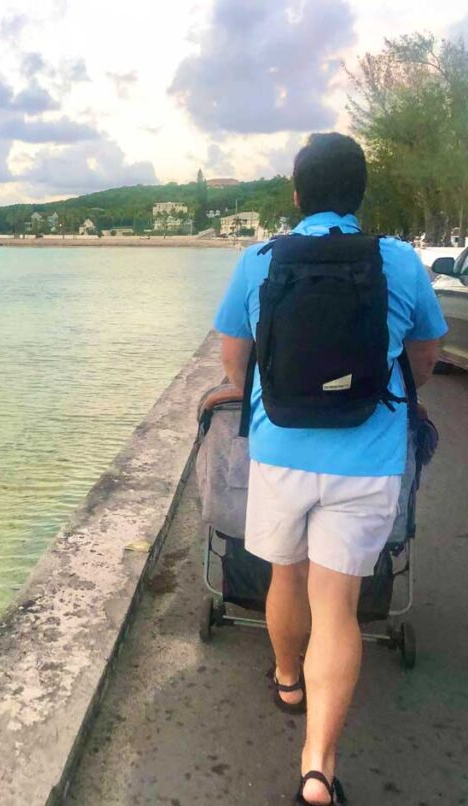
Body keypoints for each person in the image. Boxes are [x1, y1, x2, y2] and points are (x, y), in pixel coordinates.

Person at [213, 132, 447, 805]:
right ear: (360, 194)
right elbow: (424, 361)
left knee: (285, 575)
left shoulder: (258, 260)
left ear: (296, 194)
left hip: (282, 448)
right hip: (367, 454)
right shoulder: (400, 263)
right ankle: (317, 766)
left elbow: (236, 362)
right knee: (337, 606)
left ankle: (287, 678)